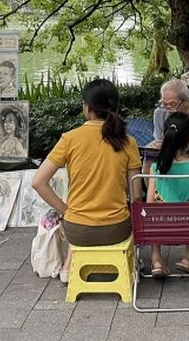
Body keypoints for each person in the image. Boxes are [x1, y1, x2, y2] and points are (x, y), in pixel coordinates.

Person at [33, 78, 142, 283]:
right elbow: (136, 195)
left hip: (78, 231)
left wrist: (66, 210)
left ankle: (69, 265)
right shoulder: (128, 142)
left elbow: (38, 182)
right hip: (116, 229)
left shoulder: (70, 139)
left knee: (57, 215)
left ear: (87, 107)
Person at [145, 112, 189, 277]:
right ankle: (187, 258)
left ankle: (156, 260)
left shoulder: (156, 168)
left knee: (153, 211)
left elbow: (149, 203)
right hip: (188, 227)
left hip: (160, 228)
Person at [148, 79, 189, 174]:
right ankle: (152, 184)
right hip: (168, 155)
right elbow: (159, 141)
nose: (168, 108)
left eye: (172, 104)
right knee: (148, 160)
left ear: (186, 101)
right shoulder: (159, 112)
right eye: (164, 104)